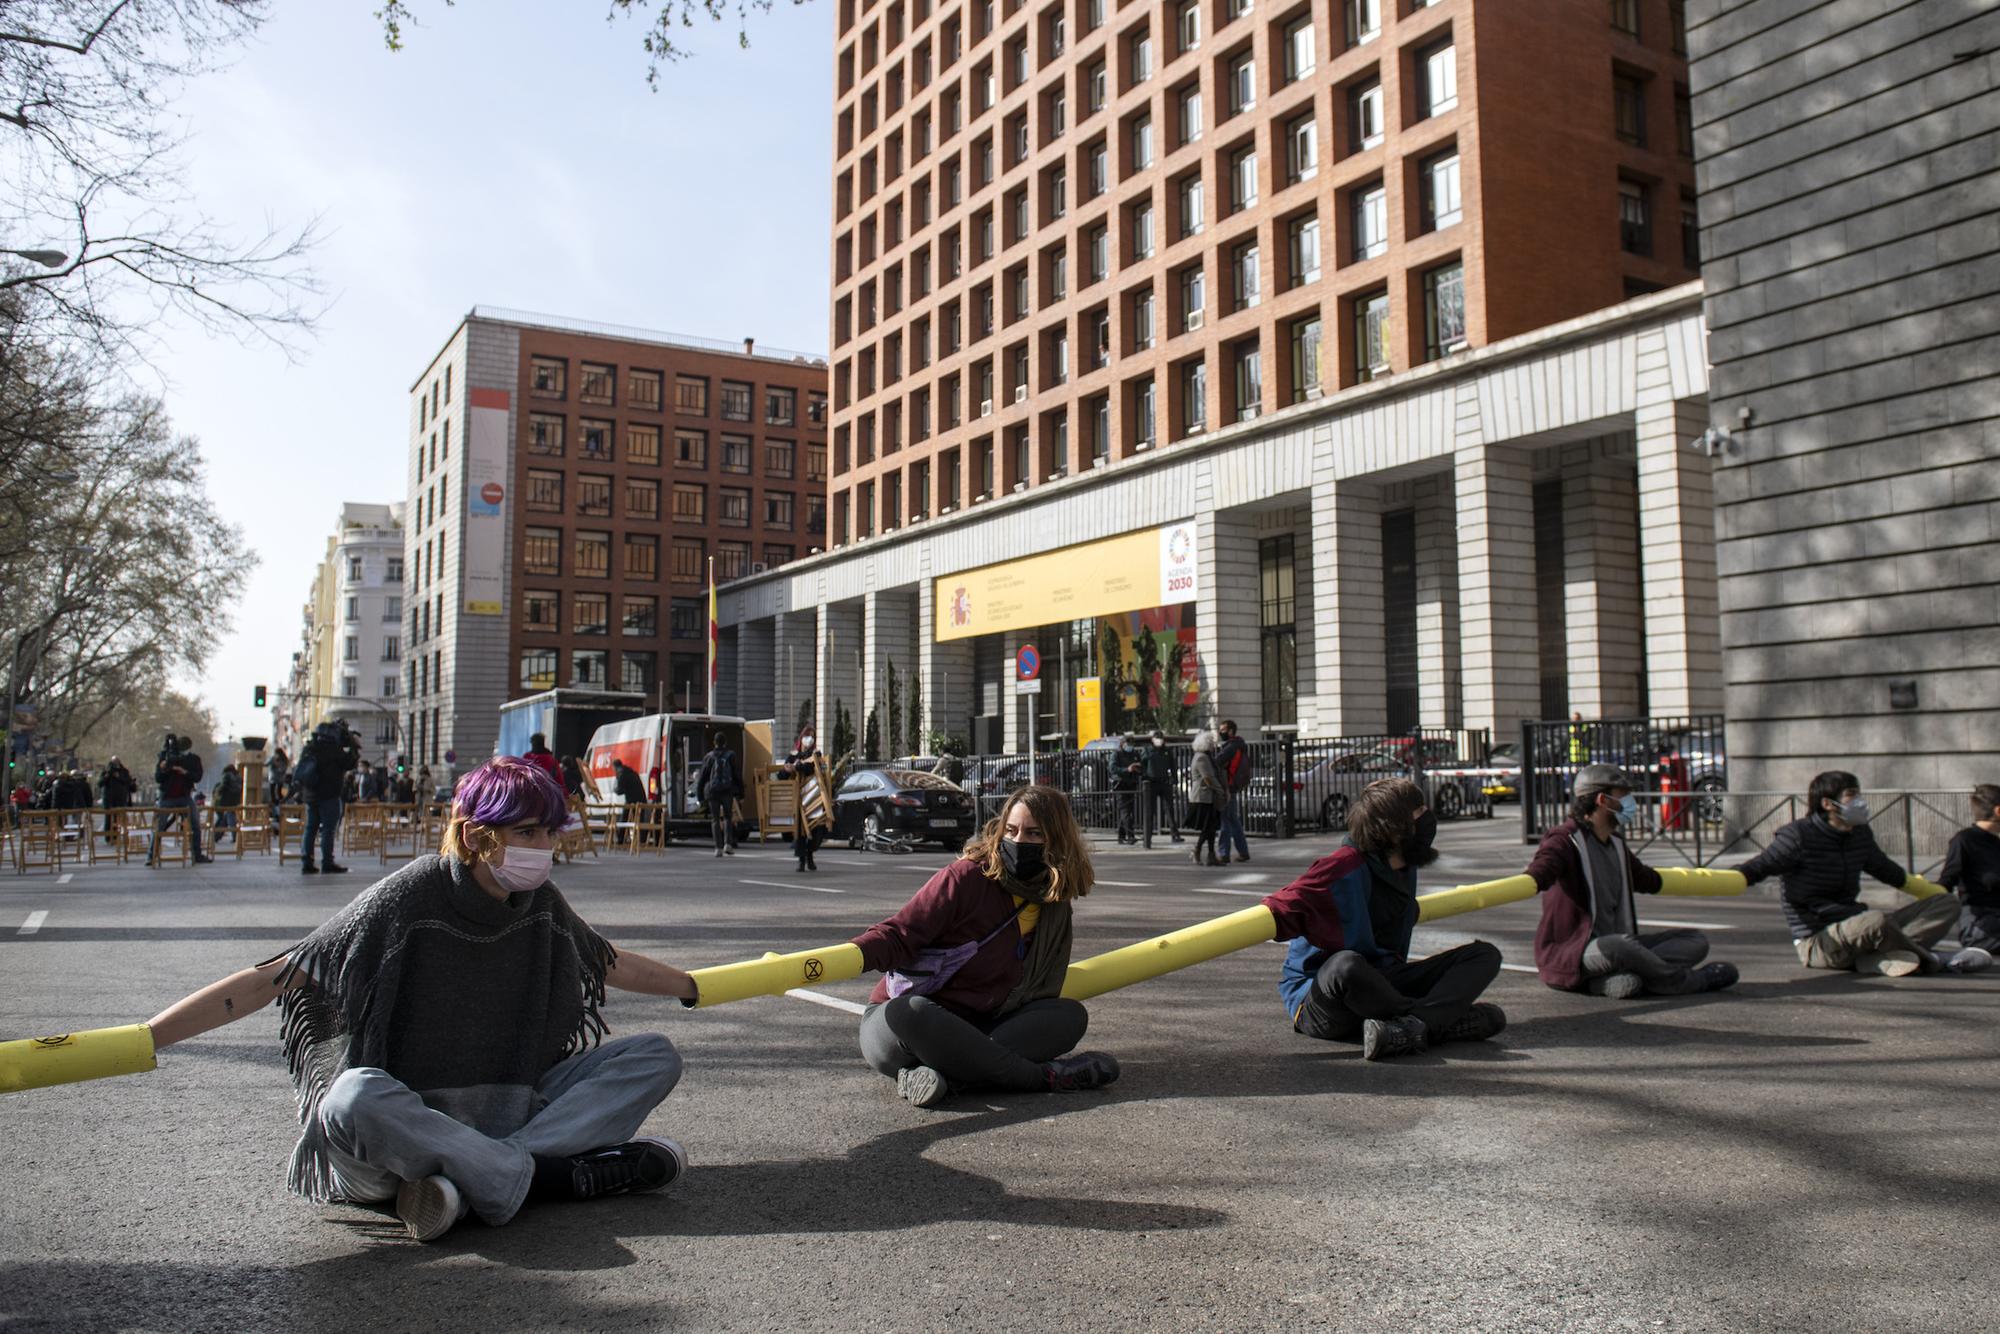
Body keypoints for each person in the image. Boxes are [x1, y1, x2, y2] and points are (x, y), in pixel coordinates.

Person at [139, 756, 698, 1243]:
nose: (545, 849)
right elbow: (272, 979)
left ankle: (473, 1180)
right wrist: (146, 1039)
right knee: (352, 1097)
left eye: (551, 833)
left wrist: (694, 987)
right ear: (479, 834)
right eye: (530, 832)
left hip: (502, 1114)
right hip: (398, 1140)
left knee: (653, 1056)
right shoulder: (405, 897)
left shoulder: (540, 904)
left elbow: (608, 962)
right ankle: (545, 1177)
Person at [854, 785, 1119, 1109]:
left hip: (982, 1025)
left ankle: (941, 1078)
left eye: (1034, 833)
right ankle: (1044, 1078)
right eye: (1012, 830)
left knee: (1068, 1016)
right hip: (907, 1027)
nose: (1019, 841)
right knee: (910, 1011)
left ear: (1057, 840)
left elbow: (1037, 991)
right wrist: (851, 956)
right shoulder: (967, 877)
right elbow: (900, 933)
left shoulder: (1053, 901)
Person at [1278, 778, 1506, 1060]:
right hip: (1322, 1000)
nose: (1428, 817)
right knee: (1346, 965)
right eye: (1420, 811)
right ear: (1396, 828)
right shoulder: (1341, 866)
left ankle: (1412, 1027)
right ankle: (1437, 1022)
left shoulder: (1404, 867)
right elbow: (1283, 904)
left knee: (1483, 955)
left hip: (1385, 982)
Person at [1529, 764, 1738, 999]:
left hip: (1621, 946)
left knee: (1694, 940)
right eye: (1623, 796)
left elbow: (1647, 879)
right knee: (1619, 946)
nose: (1631, 802)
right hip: (1574, 952)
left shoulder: (1616, 843)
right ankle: (1684, 981)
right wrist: (1533, 878)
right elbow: (1544, 865)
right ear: (1602, 800)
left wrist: (1718, 879)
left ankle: (1609, 982)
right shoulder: (1565, 840)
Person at [1737, 770, 1970, 977]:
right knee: (1875, 921)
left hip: (1858, 927)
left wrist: (1932, 890)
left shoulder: (1859, 833)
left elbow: (1889, 872)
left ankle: (1887, 957)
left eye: (1859, 794)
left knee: (1946, 903)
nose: (1860, 802)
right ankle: (1932, 960)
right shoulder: (1798, 836)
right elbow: (1760, 866)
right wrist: (1720, 879)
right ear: (1828, 804)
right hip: (1819, 941)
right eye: (1851, 795)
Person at [1940, 785, 2000, 963]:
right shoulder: (1965, 840)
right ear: (1998, 811)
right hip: (1980, 925)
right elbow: (1946, 880)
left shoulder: (1996, 843)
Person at [296, 720, 361, 876]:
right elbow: (350, 763)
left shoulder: (309, 748)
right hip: (329, 795)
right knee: (328, 830)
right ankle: (327, 862)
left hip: (310, 795)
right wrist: (353, 745)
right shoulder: (333, 750)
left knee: (310, 828)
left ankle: (307, 862)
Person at [150, 734, 212, 867]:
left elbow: (197, 777)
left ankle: (197, 854)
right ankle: (151, 855)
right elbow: (158, 778)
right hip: (166, 796)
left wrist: (184, 772)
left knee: (195, 823)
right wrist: (164, 768)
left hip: (184, 796)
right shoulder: (165, 756)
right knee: (159, 826)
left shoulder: (193, 759)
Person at [781, 731, 823, 873]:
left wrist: (797, 767)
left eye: (811, 736)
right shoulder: (793, 755)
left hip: (812, 797)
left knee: (814, 829)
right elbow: (782, 774)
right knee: (799, 830)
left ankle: (810, 856)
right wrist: (788, 769)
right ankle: (801, 860)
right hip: (798, 798)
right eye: (806, 736)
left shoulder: (816, 754)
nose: (808, 739)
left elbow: (812, 766)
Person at [1214, 719, 1254, 864]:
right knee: (1233, 820)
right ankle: (1243, 852)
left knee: (1225, 821)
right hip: (1233, 786)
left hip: (1227, 787)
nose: (1220, 732)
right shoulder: (1239, 745)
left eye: (1223, 730)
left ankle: (1224, 853)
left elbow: (1216, 762)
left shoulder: (1231, 747)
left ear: (1230, 731)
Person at [1186, 730, 1228, 867]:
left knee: (1212, 827)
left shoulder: (1208, 757)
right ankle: (1197, 849)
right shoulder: (1201, 758)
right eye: (1211, 742)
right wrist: (1221, 791)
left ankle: (1211, 855)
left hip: (1210, 797)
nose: (1213, 745)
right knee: (1208, 827)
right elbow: (1208, 778)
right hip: (1203, 797)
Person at [694, 737, 740, 857]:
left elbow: (703, 778)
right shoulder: (731, 756)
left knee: (715, 819)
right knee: (727, 817)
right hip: (727, 791)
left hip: (712, 792)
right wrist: (740, 792)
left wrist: (700, 796)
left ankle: (717, 848)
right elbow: (736, 775)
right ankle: (728, 844)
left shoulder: (709, 757)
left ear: (714, 743)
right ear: (725, 742)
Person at [1143, 729, 1182, 846]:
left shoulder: (1167, 751)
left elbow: (1173, 766)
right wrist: (1144, 778)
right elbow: (1142, 765)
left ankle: (1175, 835)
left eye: (1161, 738)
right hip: (1151, 782)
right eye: (1157, 738)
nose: (1159, 740)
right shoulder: (1147, 750)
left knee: (1169, 809)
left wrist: (1174, 779)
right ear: (1152, 740)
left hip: (1164, 782)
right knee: (1150, 810)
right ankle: (1147, 836)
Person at [1110, 734, 1145, 845]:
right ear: (1122, 743)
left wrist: (1138, 769)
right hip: (1120, 785)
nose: (1130, 746)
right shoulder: (1117, 754)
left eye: (1131, 744)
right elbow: (1112, 768)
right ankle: (1130, 836)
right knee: (1125, 812)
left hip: (1131, 784)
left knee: (1127, 811)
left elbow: (1141, 766)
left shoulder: (1135, 753)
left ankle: (1121, 836)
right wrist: (1127, 769)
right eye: (1128, 744)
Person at [100, 755, 134, 842]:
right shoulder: (106, 772)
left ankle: (119, 835)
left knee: (120, 818)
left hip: (120, 798)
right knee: (108, 819)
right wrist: (107, 776)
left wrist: (118, 776)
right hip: (109, 800)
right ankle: (108, 837)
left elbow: (128, 782)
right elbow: (100, 783)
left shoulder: (124, 771)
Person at [213, 763, 244, 847]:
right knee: (226, 818)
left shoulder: (227, 775)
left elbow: (223, 786)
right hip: (236, 800)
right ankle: (216, 836)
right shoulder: (239, 777)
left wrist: (218, 791)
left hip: (226, 801)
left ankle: (234, 836)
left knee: (229, 819)